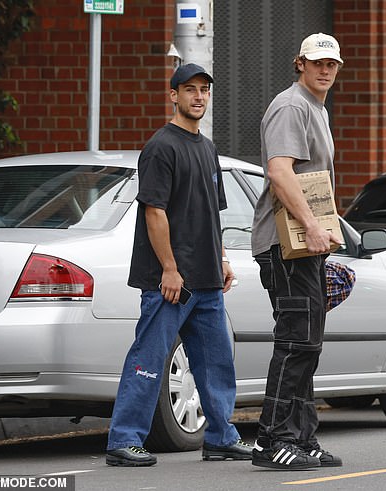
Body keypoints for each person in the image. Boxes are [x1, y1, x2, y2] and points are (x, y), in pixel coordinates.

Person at [106, 63, 252, 467]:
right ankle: (124, 440)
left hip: (206, 282)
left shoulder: (207, 148)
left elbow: (211, 214)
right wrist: (169, 268)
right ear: (173, 95)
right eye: (190, 90)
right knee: (149, 361)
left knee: (216, 365)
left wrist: (222, 259)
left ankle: (222, 436)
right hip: (169, 282)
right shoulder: (160, 147)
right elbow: (155, 211)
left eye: (204, 89)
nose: (199, 97)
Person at [250, 33, 345, 470]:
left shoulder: (316, 109)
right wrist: (311, 226)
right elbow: (279, 171)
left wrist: (333, 232)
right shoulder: (291, 106)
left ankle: (302, 439)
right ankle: (271, 440)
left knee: (308, 343)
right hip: (285, 245)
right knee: (296, 340)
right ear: (299, 63)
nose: (325, 70)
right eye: (317, 62)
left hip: (306, 246)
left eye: (332, 64)